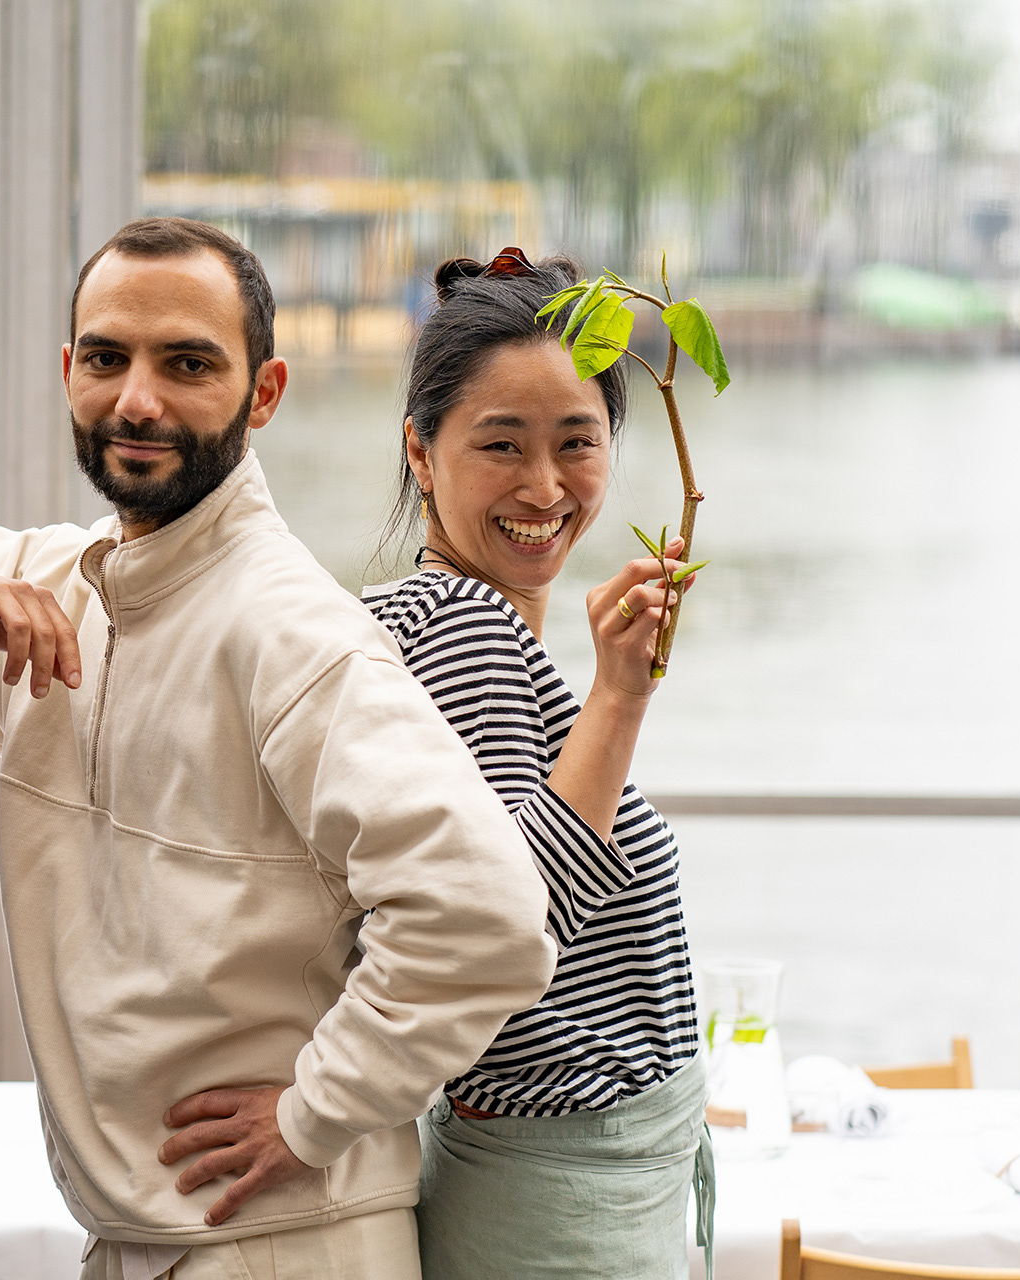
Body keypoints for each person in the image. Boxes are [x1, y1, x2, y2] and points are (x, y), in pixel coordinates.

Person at [0, 217, 557, 1280]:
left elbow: (489, 915)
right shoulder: (62, 587)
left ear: (263, 394)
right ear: (67, 372)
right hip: (148, 1236)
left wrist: (316, 1111)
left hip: (284, 1244)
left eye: (187, 364)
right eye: (107, 358)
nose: (138, 399)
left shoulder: (293, 633)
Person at [361, 249, 711, 1278]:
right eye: (500, 444)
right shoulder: (457, 622)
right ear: (421, 455)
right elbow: (513, 919)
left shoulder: (438, 624)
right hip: (557, 1201)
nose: (546, 485)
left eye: (578, 442)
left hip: (561, 1184)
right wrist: (618, 697)